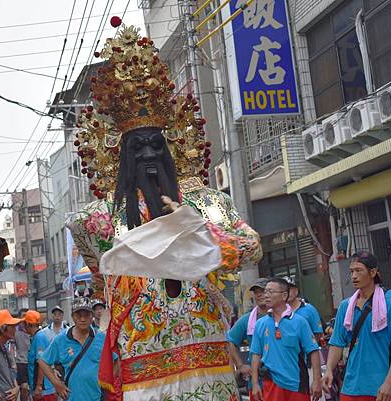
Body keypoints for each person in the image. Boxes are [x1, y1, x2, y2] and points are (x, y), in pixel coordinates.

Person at [67, 20, 262, 401]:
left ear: (170, 148)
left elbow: (251, 247)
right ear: (121, 154)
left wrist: (198, 231)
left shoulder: (205, 202)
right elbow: (100, 280)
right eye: (137, 147)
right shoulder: (96, 220)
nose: (149, 154)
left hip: (207, 359)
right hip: (144, 365)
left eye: (156, 144)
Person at [323, 251, 391, 401]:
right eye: (351, 271)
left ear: (372, 272)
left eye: (359, 271)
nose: (353, 276)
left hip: (382, 387)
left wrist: (390, 382)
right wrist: (328, 370)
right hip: (351, 387)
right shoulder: (345, 307)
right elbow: (337, 343)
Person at [250, 277, 322, 401]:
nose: (266, 295)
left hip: (297, 384)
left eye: (271, 292)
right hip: (271, 383)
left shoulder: (300, 322)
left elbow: (313, 351)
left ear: (284, 296)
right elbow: (256, 355)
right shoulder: (260, 324)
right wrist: (255, 384)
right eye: (265, 291)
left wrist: (316, 380)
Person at [38, 298, 106, 401]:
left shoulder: (101, 337)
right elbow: (42, 361)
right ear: (73, 316)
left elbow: (114, 361)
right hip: (72, 397)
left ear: (92, 316)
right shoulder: (61, 339)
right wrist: (56, 384)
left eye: (86, 315)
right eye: (79, 315)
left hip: (97, 397)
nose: (82, 319)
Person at [226, 277, 269, 394]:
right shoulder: (247, 319)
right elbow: (230, 341)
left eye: (263, 291)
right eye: (256, 293)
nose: (259, 295)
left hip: (282, 377)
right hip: (258, 378)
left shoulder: (282, 316)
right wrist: (240, 365)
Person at [284, 277, 324, 342]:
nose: (287, 292)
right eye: (284, 290)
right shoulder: (279, 311)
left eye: (290, 289)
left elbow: (318, 333)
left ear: (296, 291)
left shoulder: (309, 309)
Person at [16, 310, 42, 401]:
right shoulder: (34, 337)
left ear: (28, 324)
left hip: (42, 389)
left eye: (24, 323)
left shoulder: (39, 338)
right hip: (34, 384)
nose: (23, 325)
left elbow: (41, 364)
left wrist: (39, 386)